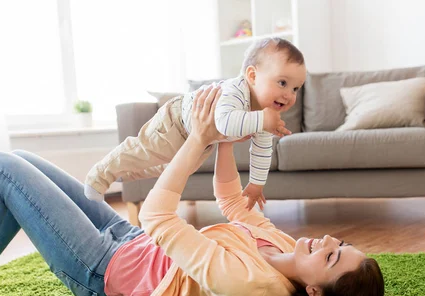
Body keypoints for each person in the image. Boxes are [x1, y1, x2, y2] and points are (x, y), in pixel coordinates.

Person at [0, 86, 385, 296]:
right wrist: (222, 138)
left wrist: (196, 140)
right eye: (340, 243)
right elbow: (232, 203)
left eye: (332, 257)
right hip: (130, 241)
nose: (327, 240)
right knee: (19, 160)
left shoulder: (250, 285)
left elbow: (156, 216)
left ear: (314, 291)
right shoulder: (280, 244)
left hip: (101, 268)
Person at [84, 37, 307, 211]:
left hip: (202, 139)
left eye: (295, 88)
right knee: (142, 150)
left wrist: (257, 184)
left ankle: (122, 172)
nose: (289, 95)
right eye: (282, 83)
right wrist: (263, 120)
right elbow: (226, 123)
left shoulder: (262, 114)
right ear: (252, 75)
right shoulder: (235, 91)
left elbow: (262, 149)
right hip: (176, 122)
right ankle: (100, 174)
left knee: (173, 168)